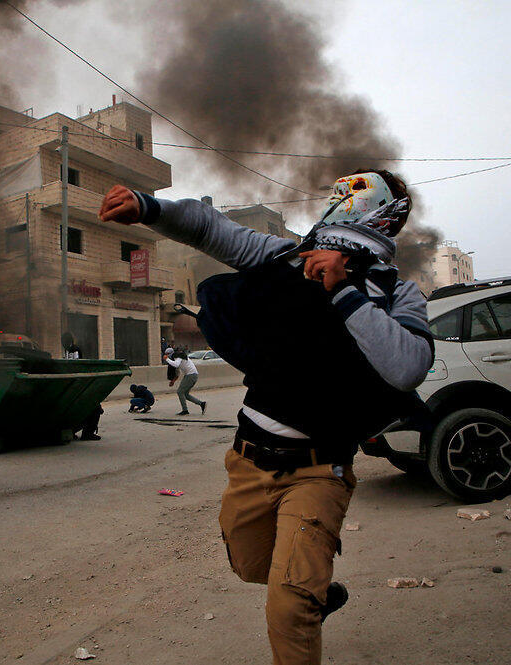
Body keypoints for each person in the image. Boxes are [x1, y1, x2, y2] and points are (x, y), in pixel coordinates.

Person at [99, 169, 433, 665]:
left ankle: (304, 598)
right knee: (253, 566)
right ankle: (316, 590)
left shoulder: (396, 294)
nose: (340, 200)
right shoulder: (283, 256)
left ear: (382, 215)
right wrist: (148, 206)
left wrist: (343, 289)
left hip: (321, 470)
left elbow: (407, 367)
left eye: (352, 195)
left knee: (289, 606)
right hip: (249, 460)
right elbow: (211, 227)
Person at [163, 346, 206, 416]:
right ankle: (201, 404)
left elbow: (176, 364)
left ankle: (185, 410)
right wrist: (173, 381)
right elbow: (177, 373)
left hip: (191, 375)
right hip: (192, 375)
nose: (166, 355)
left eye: (167, 354)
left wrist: (167, 359)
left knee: (179, 392)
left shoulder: (178, 356)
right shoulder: (178, 358)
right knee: (185, 394)